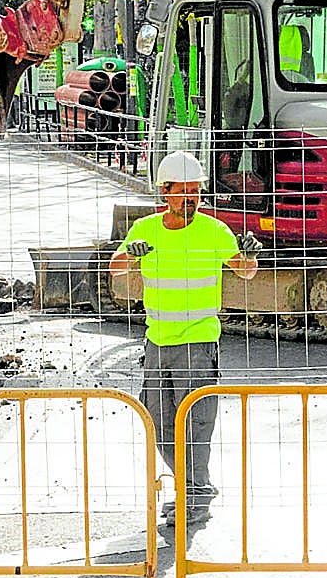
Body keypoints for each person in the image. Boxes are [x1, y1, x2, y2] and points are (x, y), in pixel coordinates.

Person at [109, 150, 260, 527]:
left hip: (197, 342)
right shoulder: (145, 229)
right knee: (158, 421)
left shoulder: (214, 231)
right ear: (165, 193)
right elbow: (114, 267)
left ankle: (194, 495)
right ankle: (194, 487)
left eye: (196, 191)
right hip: (158, 341)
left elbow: (245, 273)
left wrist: (249, 255)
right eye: (183, 192)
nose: (191, 198)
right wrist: (131, 255)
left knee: (195, 423)